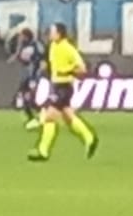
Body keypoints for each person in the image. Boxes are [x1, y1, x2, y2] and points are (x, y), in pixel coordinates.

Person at [27, 23, 100, 162]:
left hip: (64, 87)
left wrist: (66, 71)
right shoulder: (53, 46)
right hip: (56, 86)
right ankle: (90, 138)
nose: (50, 34)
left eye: (52, 31)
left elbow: (82, 69)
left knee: (49, 117)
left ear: (59, 34)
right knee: (68, 116)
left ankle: (43, 151)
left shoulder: (68, 48)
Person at [10, 28, 46, 131]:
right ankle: (33, 118)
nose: (20, 38)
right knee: (24, 97)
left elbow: (42, 59)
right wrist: (14, 57)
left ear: (26, 36)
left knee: (30, 98)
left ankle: (41, 115)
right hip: (26, 75)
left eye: (22, 36)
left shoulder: (36, 45)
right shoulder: (22, 45)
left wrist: (37, 75)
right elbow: (19, 56)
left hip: (33, 75)